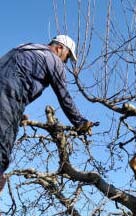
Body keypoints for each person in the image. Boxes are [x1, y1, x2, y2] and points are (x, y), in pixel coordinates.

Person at [0, 35, 94, 191]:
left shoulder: (26, 47)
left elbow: (9, 77)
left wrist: (16, 112)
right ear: (59, 48)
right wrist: (80, 122)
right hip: (7, 99)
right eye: (67, 56)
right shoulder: (53, 59)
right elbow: (64, 95)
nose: (65, 61)